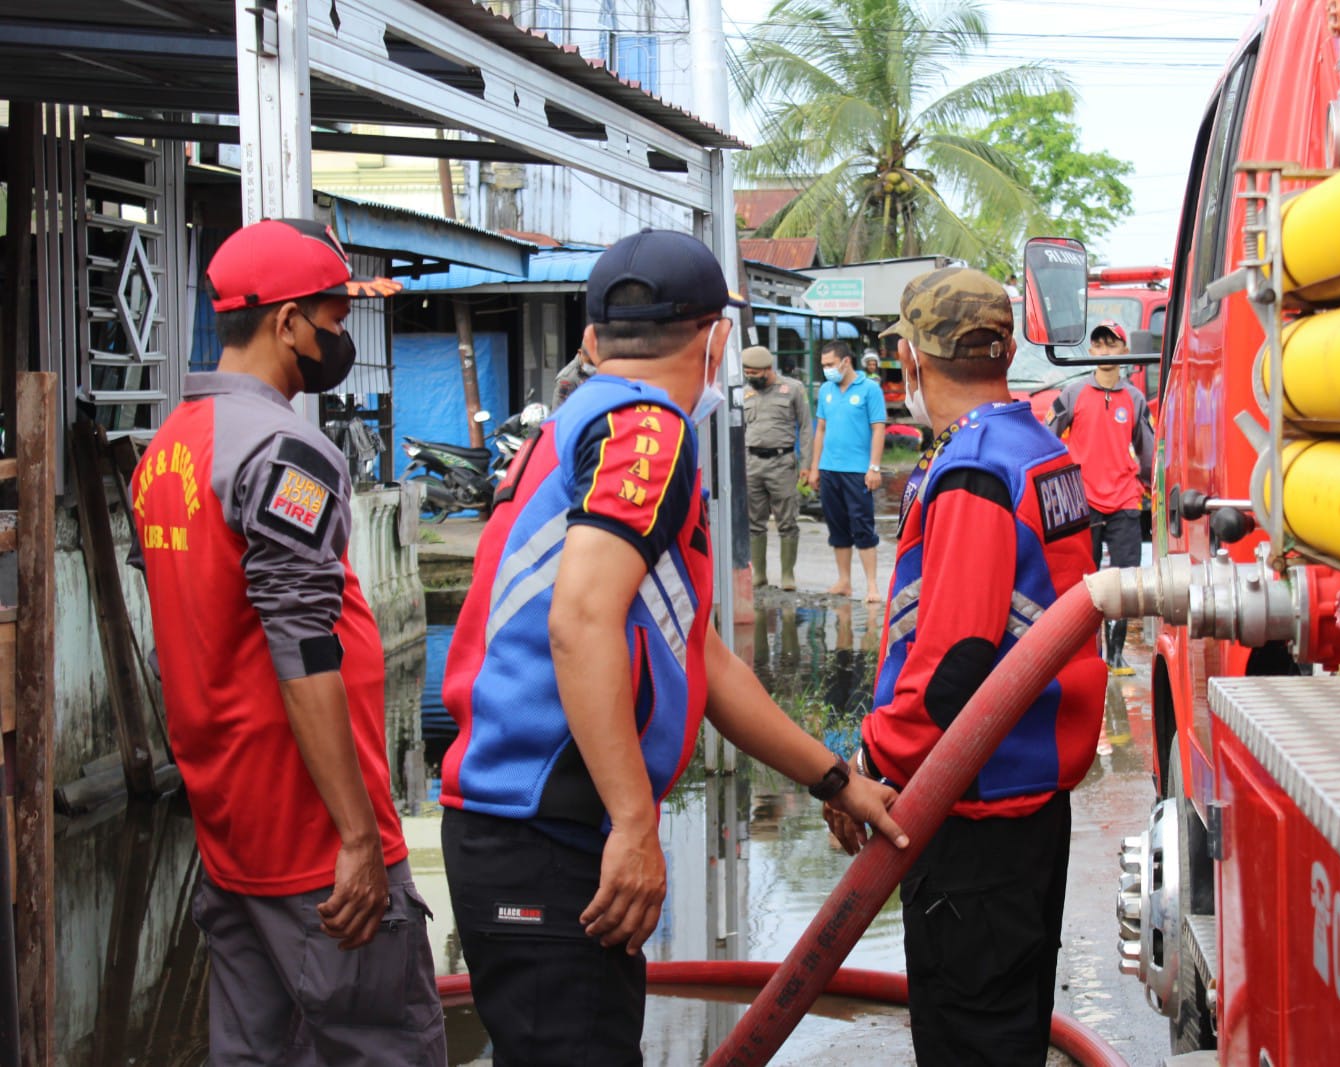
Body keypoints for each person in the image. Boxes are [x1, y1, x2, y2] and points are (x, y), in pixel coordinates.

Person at [438, 228, 907, 1066]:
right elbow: (580, 620)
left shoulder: (580, 418)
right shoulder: (646, 432)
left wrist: (837, 779)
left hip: (523, 827)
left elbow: (701, 658)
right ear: (718, 338)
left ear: (589, 338)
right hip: (548, 830)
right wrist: (631, 822)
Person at [130, 218, 445, 1064]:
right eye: (334, 319)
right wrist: (355, 837)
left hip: (230, 831)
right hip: (313, 838)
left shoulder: (166, 453)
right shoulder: (282, 451)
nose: (341, 337)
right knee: (386, 1046)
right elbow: (301, 645)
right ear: (285, 322)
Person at [829, 266, 1106, 1067]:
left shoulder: (975, 471)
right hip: (1029, 804)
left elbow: (952, 674)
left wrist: (865, 770)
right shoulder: (1039, 449)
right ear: (1008, 348)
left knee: (970, 1042)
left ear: (912, 361)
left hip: (972, 815)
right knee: (1008, 1031)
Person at [1046, 319, 1154, 675]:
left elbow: (1148, 450)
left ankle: (1116, 655)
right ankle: (1084, 654)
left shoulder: (1136, 399)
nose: (1106, 352)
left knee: (1124, 581)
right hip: (1084, 501)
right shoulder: (1073, 394)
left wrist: (1151, 486)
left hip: (1125, 499)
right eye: (1100, 345)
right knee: (1083, 581)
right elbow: (1047, 436)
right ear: (1091, 351)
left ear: (1125, 351)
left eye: (1113, 345)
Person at [804, 340, 887, 601]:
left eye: (830, 364)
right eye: (823, 365)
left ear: (845, 361)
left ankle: (872, 585)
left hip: (857, 471)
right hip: (829, 469)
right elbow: (821, 429)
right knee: (837, 526)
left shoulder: (870, 390)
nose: (827, 370)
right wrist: (814, 468)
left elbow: (878, 429)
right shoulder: (827, 390)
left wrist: (874, 467)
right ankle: (844, 581)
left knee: (862, 525)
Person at [742, 344, 811, 590]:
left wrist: (806, 464)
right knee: (754, 521)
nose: (750, 378)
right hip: (751, 463)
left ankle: (787, 576)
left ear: (767, 369)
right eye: (746, 373)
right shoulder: (744, 393)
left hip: (782, 462)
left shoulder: (792, 389)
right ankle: (759, 574)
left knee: (787, 520)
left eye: (754, 373)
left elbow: (805, 427)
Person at [551, 345, 596, 409]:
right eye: (589, 362)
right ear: (580, 353)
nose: (593, 366)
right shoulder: (567, 379)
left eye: (595, 362)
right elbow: (558, 411)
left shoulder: (596, 370)